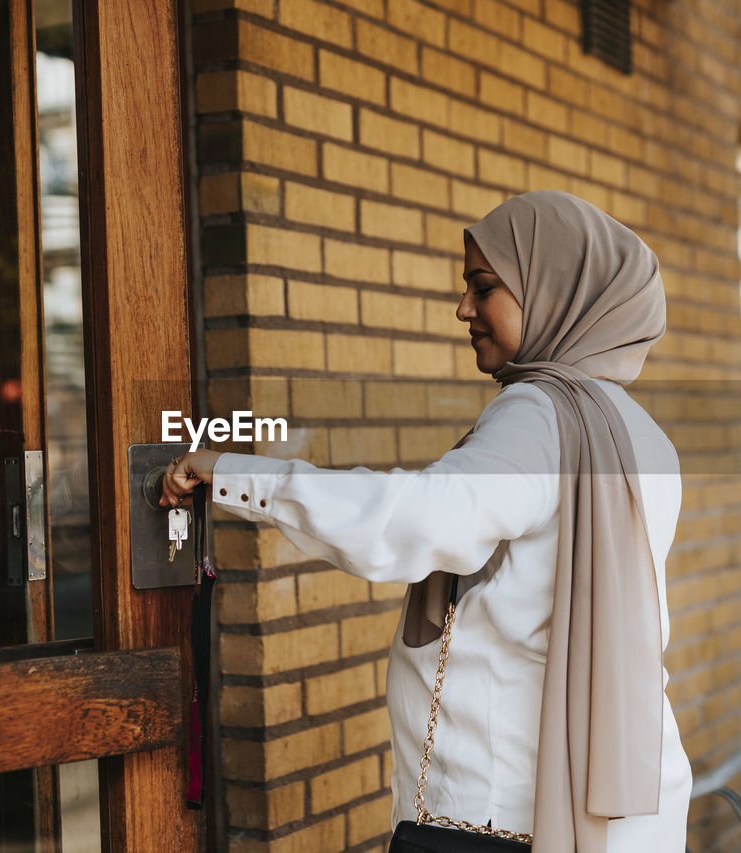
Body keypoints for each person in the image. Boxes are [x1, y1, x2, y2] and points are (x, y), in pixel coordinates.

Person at [163, 191, 692, 852]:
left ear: (556, 291)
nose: (463, 307)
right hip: (627, 804)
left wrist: (232, 472)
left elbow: (411, 518)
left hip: (495, 818)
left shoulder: (540, 414)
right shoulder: (640, 433)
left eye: (483, 286)